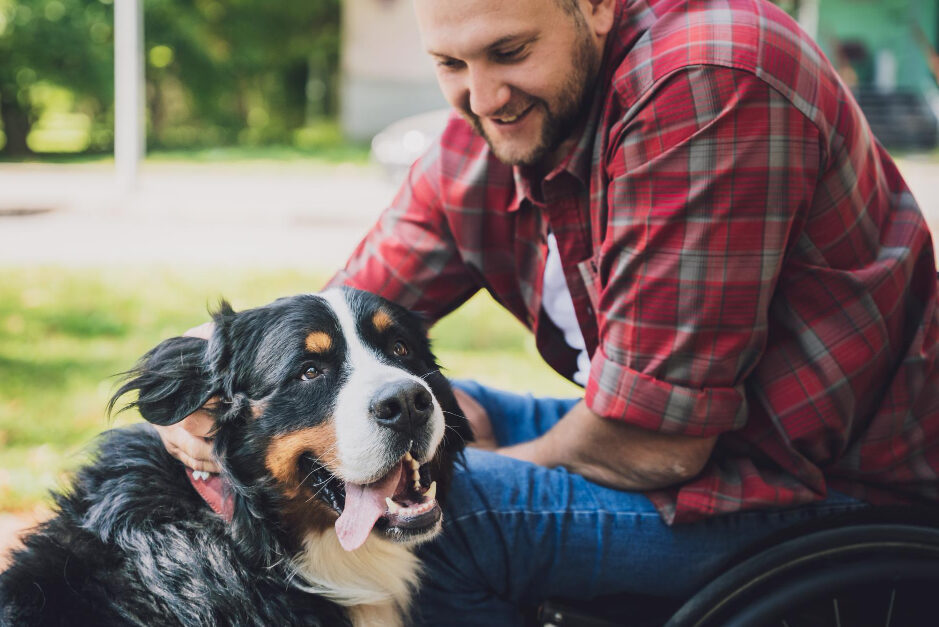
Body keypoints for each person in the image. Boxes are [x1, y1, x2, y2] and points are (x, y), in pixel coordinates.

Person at [160, 0, 939, 623]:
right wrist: (195, 379)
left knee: (444, 512)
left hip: (824, 490)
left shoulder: (705, 79)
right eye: (449, 64)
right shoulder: (500, 118)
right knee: (422, 411)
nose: (482, 96)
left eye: (509, 51)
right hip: (717, 447)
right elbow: (345, 315)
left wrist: (451, 471)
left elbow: (653, 446)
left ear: (597, 6)